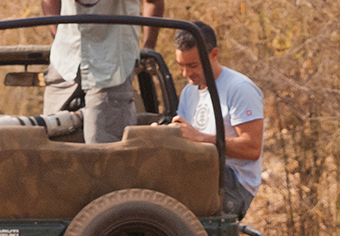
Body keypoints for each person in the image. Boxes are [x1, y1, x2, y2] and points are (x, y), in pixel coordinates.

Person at [172, 22, 264, 219]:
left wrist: (201, 138)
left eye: (193, 65)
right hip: (202, 169)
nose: (186, 74)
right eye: (181, 66)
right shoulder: (189, 91)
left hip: (233, 182)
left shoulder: (239, 88)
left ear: (214, 55)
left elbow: (252, 149)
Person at [41, 0, 164, 144]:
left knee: (103, 151)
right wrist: (60, 37)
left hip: (111, 65)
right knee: (50, 143)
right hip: (65, 62)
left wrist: (147, 49)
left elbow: (153, 2)